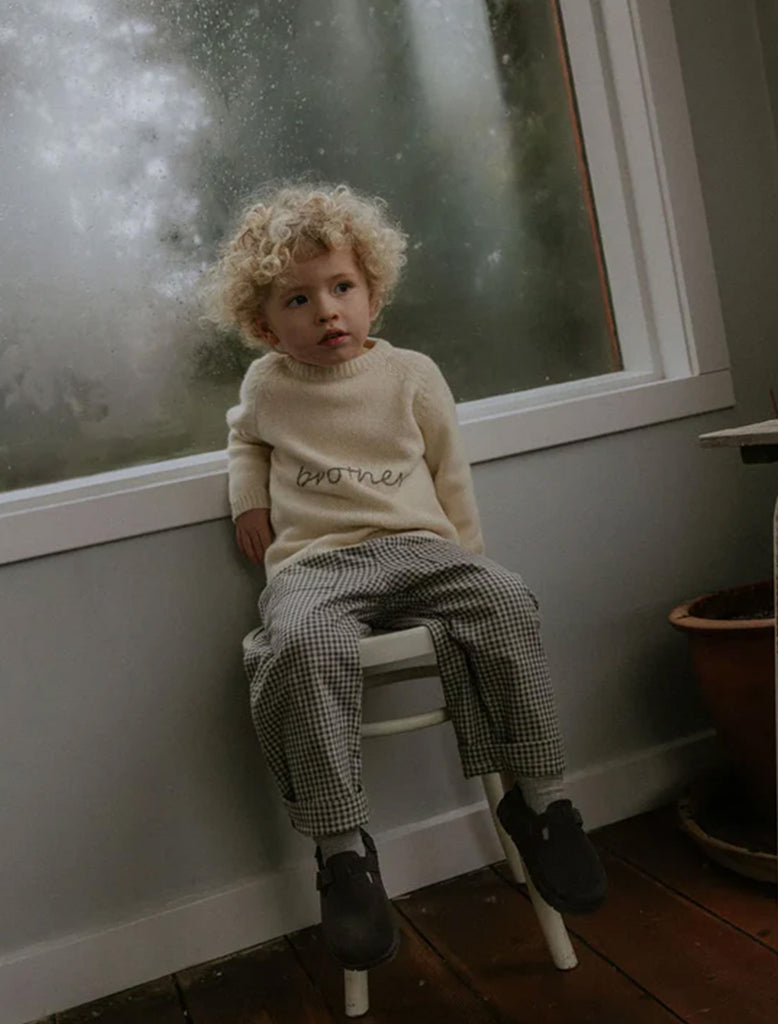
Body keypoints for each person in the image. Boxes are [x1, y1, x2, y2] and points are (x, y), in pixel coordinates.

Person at [204, 182, 606, 971]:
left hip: (421, 549)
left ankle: (544, 802)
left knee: (505, 599)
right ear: (262, 324)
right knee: (297, 644)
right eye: (299, 298)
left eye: (342, 288)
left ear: (372, 293)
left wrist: (470, 557)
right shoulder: (269, 386)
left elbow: (450, 472)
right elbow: (244, 440)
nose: (327, 311)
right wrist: (247, 499)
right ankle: (342, 851)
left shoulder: (411, 374)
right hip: (317, 566)